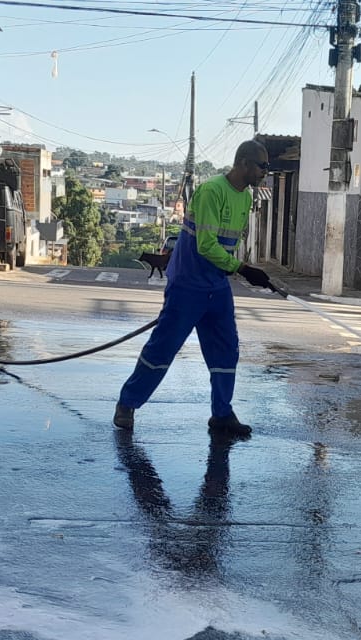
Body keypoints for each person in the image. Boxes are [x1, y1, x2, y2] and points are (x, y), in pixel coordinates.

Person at [114, 140, 276, 438]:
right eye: (261, 166)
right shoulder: (212, 191)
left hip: (216, 286)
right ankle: (127, 404)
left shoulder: (244, 197)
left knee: (226, 351)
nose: (265, 172)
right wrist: (241, 269)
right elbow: (206, 246)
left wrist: (236, 268)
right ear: (242, 163)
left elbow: (228, 244)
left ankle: (222, 414)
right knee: (163, 348)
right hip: (188, 285)